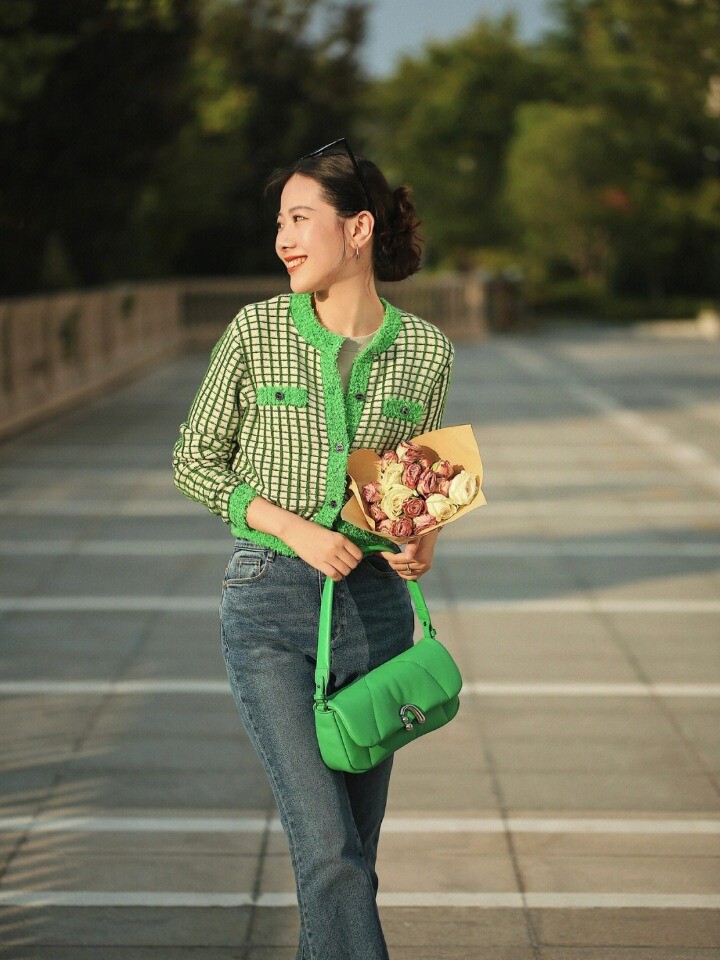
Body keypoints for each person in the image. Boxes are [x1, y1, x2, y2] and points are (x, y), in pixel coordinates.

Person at [172, 138, 455, 960]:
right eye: (280, 224)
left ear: (358, 228)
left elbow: (419, 486)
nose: (283, 240)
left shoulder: (426, 351)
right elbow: (194, 459)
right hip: (269, 608)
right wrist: (293, 528)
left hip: (377, 615)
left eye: (300, 219)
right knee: (327, 850)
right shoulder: (255, 331)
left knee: (352, 858)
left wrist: (421, 543)